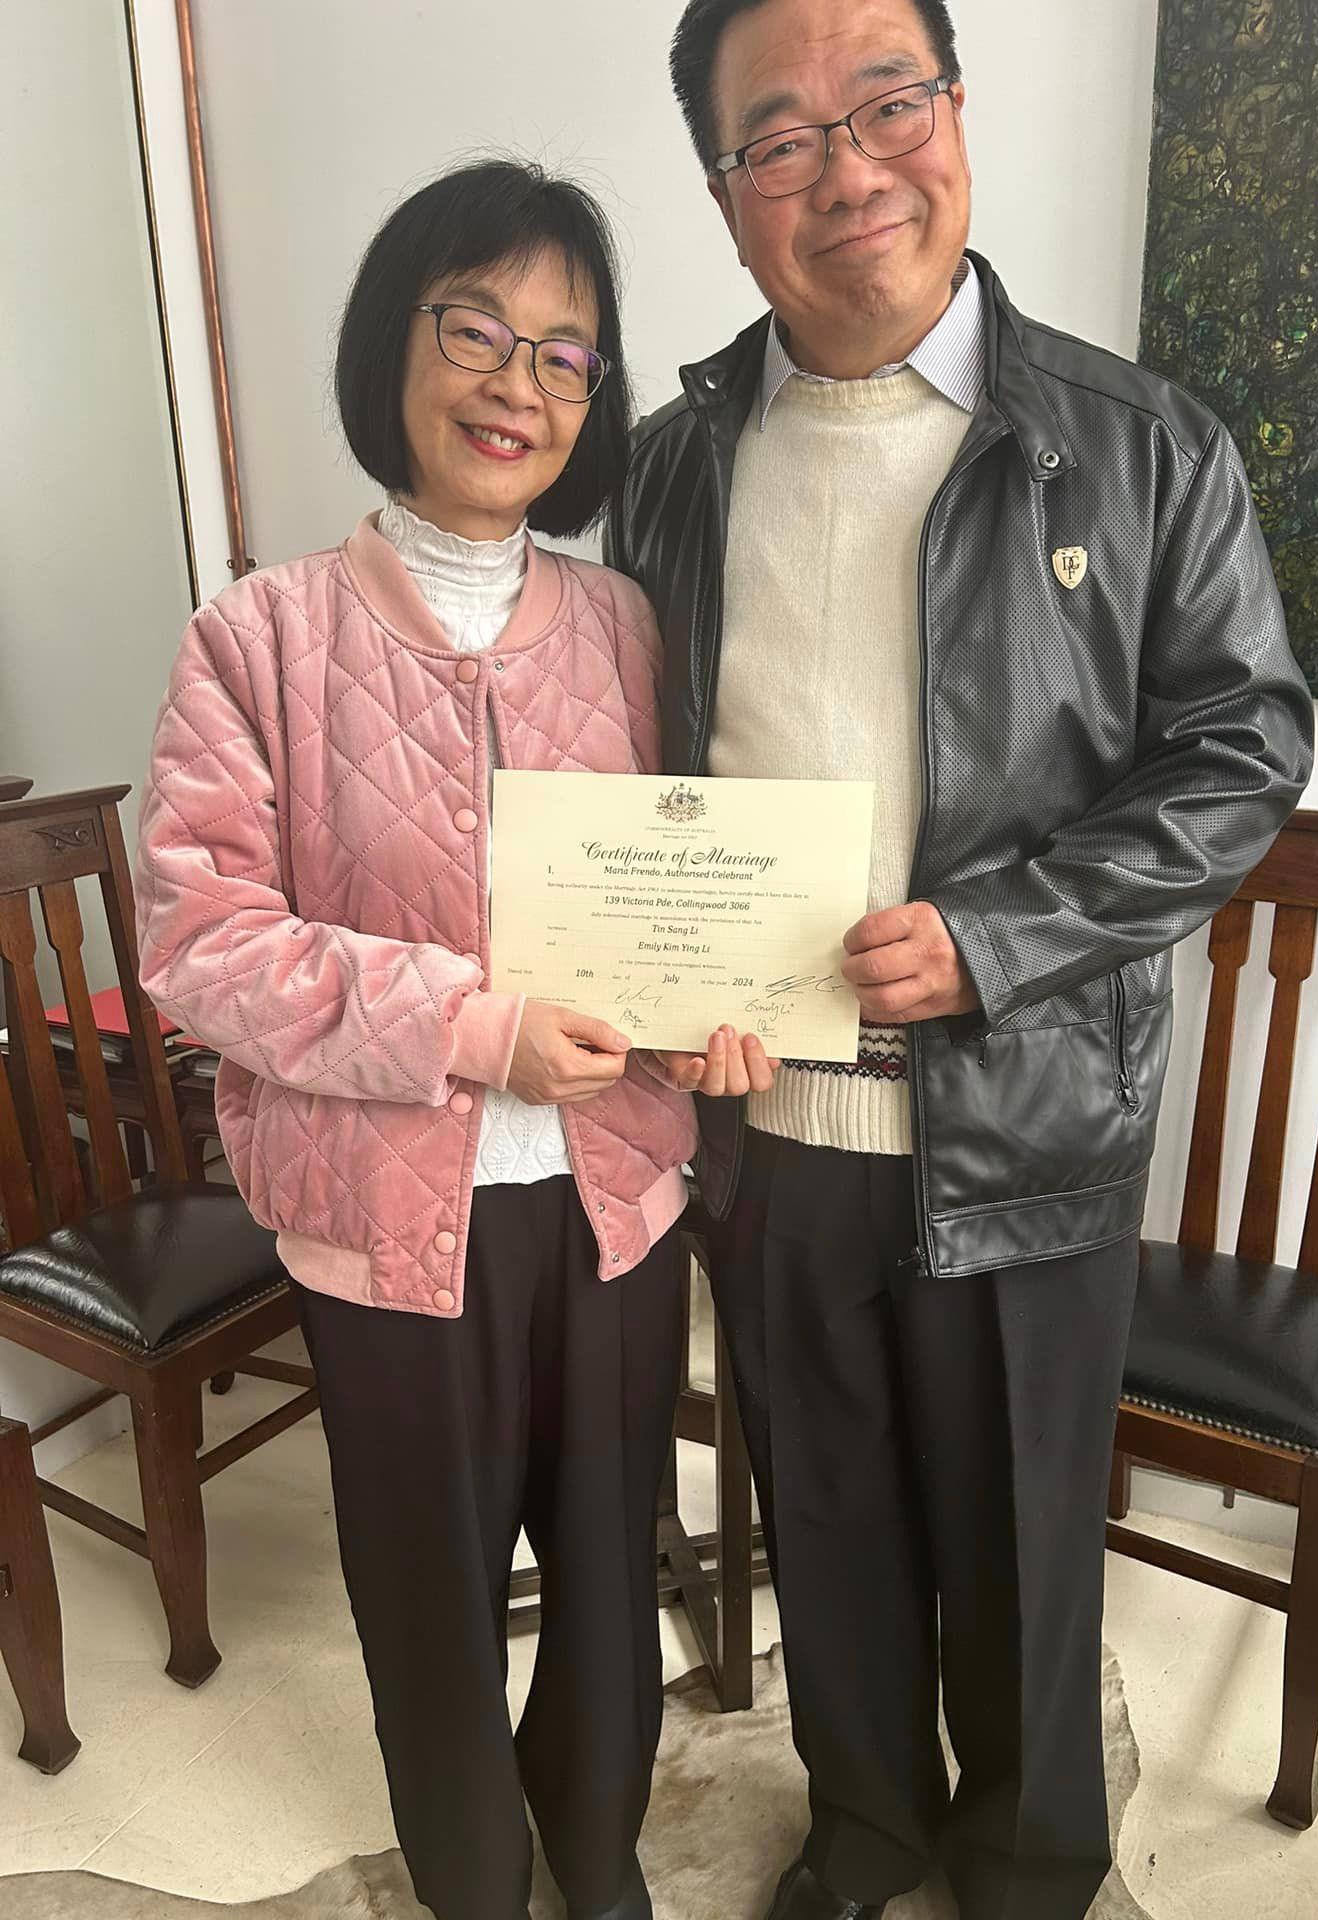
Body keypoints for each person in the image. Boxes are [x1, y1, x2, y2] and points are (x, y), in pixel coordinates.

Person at [607, 4, 1316, 1917]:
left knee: (1017, 1540)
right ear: (727, 191)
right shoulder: (672, 467)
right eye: (780, 136)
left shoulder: (1138, 441)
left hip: (1027, 1116)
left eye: (886, 103)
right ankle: (864, 1830)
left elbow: (1246, 750)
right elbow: (623, 764)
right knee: (823, 1514)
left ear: (955, 115)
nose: (846, 168)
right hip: (768, 1123)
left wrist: (1001, 940)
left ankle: (1026, 1860)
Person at [136, 159, 760, 1920]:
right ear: (390, 346)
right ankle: (476, 1882)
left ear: (597, 396)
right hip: (380, 1218)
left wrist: (728, 1007)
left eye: (565, 353)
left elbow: (682, 880)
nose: (517, 382)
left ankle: (600, 1855)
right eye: (476, 327)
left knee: (609, 1566)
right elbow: (203, 941)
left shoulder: (630, 625)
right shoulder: (256, 634)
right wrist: (474, 1027)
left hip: (613, 1197)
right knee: (426, 1588)